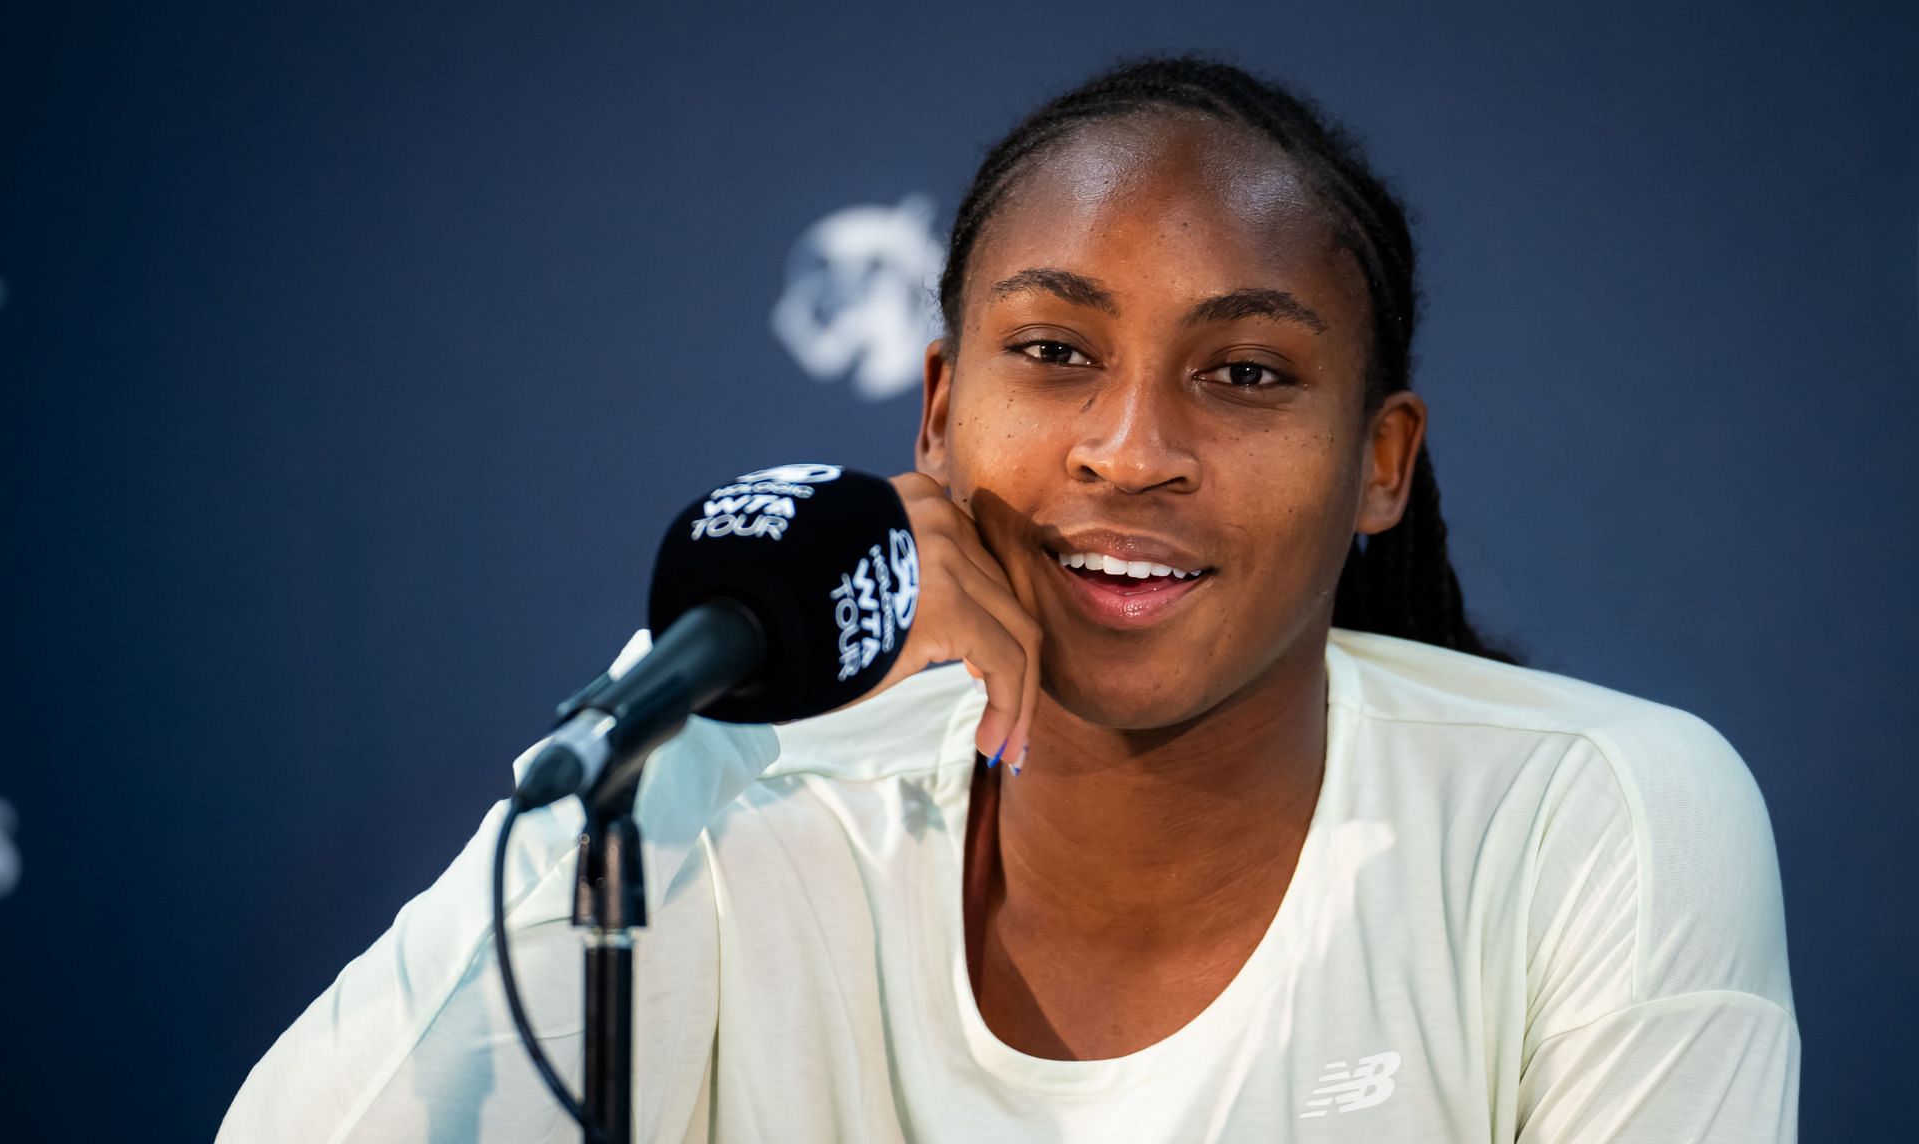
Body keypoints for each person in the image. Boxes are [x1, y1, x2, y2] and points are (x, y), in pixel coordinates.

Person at [218, 56, 1799, 1142]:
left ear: (1380, 463)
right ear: (934, 413)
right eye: (1054, 354)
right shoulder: (741, 777)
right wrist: (725, 690)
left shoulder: (1598, 819)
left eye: (1245, 374)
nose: (1129, 450)